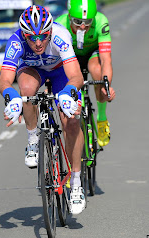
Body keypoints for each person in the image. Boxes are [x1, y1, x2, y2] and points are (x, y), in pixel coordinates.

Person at [0, 5, 85, 214]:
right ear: (24, 34)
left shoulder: (60, 36)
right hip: (32, 71)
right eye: (31, 38)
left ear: (50, 32)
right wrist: (12, 98)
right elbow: (4, 80)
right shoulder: (16, 41)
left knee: (71, 121)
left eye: (43, 37)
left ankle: (76, 183)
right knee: (25, 90)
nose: (37, 43)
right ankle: (33, 139)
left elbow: (77, 76)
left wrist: (68, 92)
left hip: (60, 73)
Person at [55, 0, 116, 147]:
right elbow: (55, 60)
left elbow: (106, 59)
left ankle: (101, 118)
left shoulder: (101, 21)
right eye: (77, 21)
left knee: (96, 70)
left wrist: (106, 86)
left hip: (91, 53)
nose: (83, 26)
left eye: (88, 22)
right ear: (69, 16)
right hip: (70, 57)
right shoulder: (59, 24)